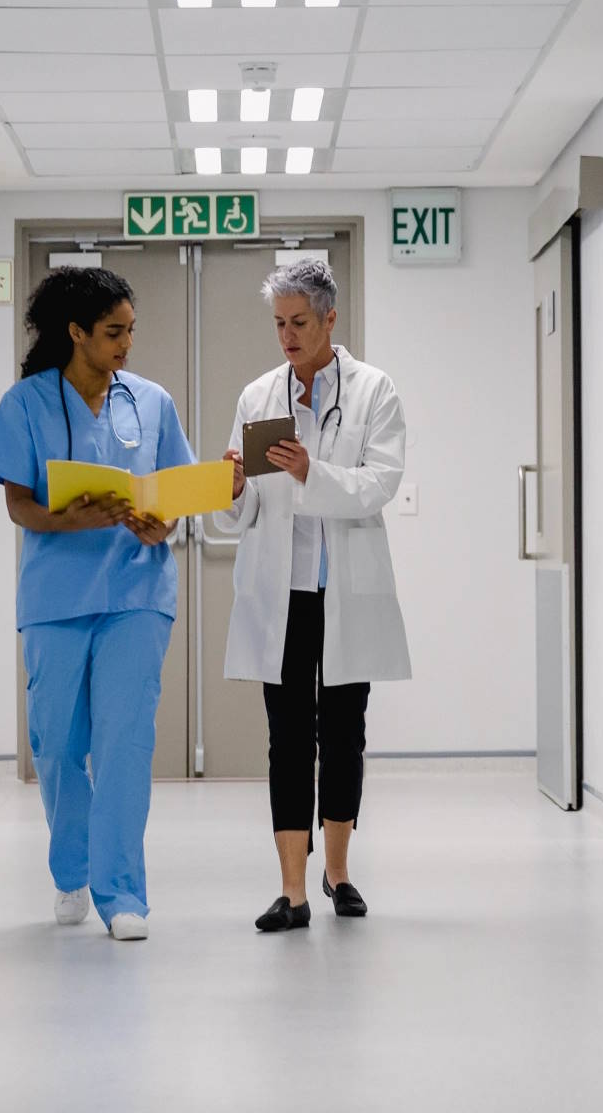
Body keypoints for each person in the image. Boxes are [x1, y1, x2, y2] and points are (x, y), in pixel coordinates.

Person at [0, 267, 195, 942]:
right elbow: (19, 504)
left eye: (131, 330)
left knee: (124, 743)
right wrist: (81, 517)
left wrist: (166, 523)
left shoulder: (152, 401)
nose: (127, 344)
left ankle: (122, 893)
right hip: (56, 597)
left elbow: (176, 493)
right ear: (76, 333)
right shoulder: (25, 404)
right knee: (57, 745)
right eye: (113, 333)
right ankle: (72, 872)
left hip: (137, 592)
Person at [212, 258, 411, 933]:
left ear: (330, 318)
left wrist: (310, 471)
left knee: (344, 734)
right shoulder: (257, 397)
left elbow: (378, 483)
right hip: (283, 589)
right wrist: (233, 490)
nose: (287, 336)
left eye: (299, 322)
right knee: (287, 738)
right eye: (278, 324)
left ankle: (340, 871)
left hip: (345, 586)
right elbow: (235, 510)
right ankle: (293, 891)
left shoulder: (374, 391)